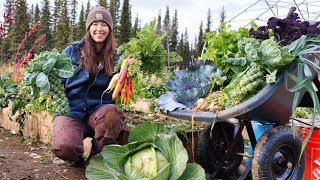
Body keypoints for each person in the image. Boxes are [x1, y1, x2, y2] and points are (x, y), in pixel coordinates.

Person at [51, 6, 126, 167]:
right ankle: (75, 158)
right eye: (95, 24)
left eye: (104, 24)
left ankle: (96, 155)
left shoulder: (118, 56)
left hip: (100, 111)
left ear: (110, 29)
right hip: (72, 111)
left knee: (113, 115)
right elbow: (56, 77)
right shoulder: (72, 51)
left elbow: (124, 80)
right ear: (88, 28)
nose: (99, 29)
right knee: (63, 147)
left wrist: (132, 67)